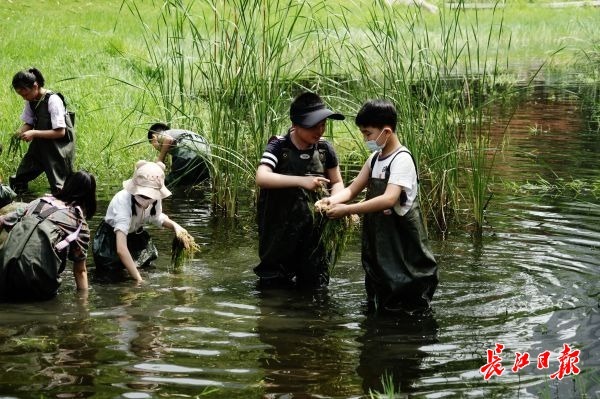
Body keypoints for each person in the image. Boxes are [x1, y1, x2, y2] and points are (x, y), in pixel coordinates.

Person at [320, 99, 438, 313]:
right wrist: (330, 201)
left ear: (386, 131)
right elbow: (351, 190)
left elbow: (389, 199)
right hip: (379, 244)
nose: (366, 139)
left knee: (407, 298)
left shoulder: (402, 160)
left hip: (401, 244)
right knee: (379, 292)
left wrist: (346, 210)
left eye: (368, 134)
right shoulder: (375, 159)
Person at [254, 91, 345, 288]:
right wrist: (302, 181)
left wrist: (333, 201)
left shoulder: (324, 150)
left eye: (323, 125)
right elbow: (262, 177)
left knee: (315, 287)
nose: (319, 130)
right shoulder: (278, 146)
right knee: (273, 287)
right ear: (295, 124)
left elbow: (337, 182)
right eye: (313, 126)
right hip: (278, 232)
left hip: (314, 234)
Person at [0, 171, 97, 300]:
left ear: (66, 186)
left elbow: (1, 220)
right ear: (89, 198)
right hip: (35, 283)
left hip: (3, 270)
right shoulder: (79, 224)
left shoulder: (37, 203)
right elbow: (80, 272)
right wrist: (83, 308)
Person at [92, 160, 187, 282]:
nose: (146, 199)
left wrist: (176, 227)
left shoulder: (155, 199)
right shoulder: (123, 202)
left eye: (149, 196)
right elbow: (121, 249)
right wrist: (139, 281)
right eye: (143, 195)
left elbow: (156, 217)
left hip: (135, 235)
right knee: (113, 276)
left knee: (143, 267)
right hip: (111, 240)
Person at [10, 68, 75, 195]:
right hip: (40, 146)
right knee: (19, 179)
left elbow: (60, 132)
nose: (24, 98)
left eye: (25, 94)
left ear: (35, 86)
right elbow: (29, 123)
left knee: (59, 187)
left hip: (58, 149)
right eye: (21, 95)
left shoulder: (53, 100)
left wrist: (33, 133)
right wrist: (19, 133)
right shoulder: (31, 100)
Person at [147, 122, 211, 188]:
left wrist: (160, 159)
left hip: (188, 151)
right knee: (199, 181)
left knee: (170, 183)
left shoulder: (160, 134)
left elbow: (168, 139)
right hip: (206, 150)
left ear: (153, 137)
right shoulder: (179, 132)